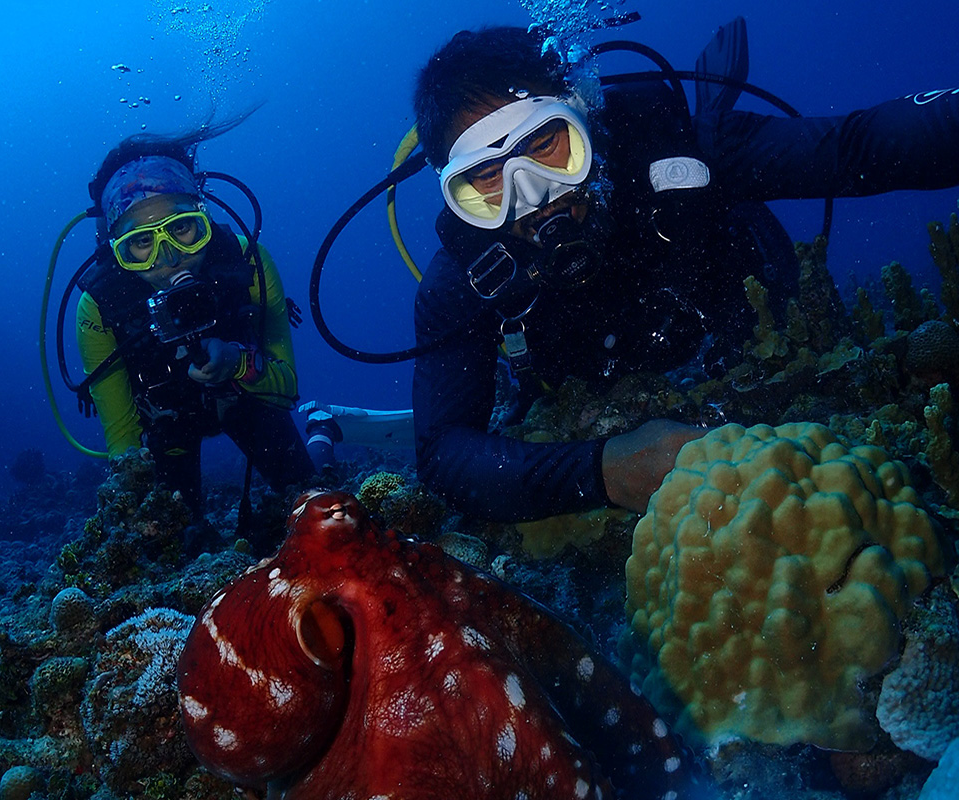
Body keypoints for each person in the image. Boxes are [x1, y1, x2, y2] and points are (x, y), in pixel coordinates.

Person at [411, 25, 959, 521]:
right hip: (592, 387)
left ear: (582, 114)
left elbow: (856, 144)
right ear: (455, 194)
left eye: (545, 145)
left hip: (741, 316)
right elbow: (442, 455)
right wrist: (602, 472)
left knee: (713, 184)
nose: (532, 196)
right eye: (486, 177)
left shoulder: (679, 151)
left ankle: (713, 119)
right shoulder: (464, 278)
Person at [76, 124, 316, 550]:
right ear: (116, 249)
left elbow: (287, 387)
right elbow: (125, 448)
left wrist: (238, 362)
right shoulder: (100, 308)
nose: (169, 259)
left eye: (183, 229)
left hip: (248, 403)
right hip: (168, 427)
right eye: (141, 244)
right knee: (166, 541)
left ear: (203, 216)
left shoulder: (249, 262)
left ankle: (324, 434)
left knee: (315, 503)